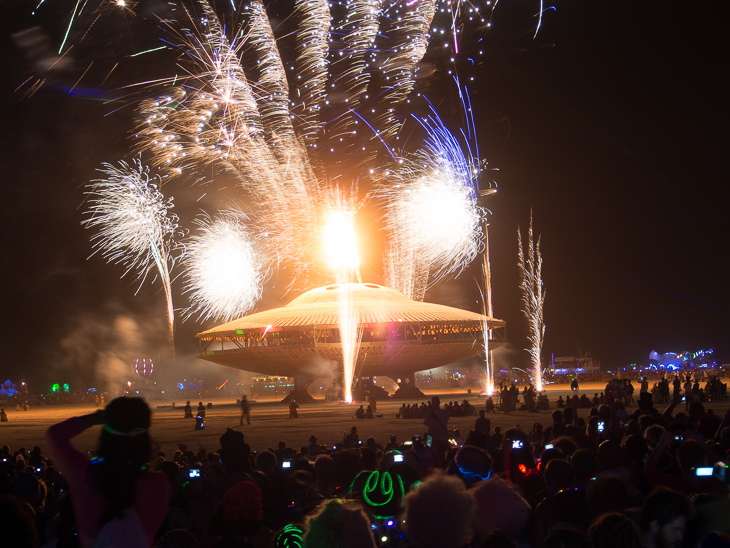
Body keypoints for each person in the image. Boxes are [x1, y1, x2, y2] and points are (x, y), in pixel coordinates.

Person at [45, 397, 169, 548]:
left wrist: (98, 417)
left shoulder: (85, 476)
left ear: (106, 431)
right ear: (144, 436)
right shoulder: (158, 485)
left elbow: (55, 434)